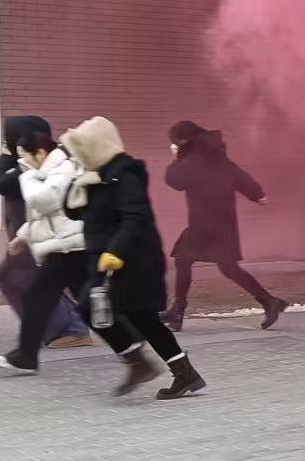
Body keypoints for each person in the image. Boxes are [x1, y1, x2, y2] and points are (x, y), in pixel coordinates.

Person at [62, 116, 206, 399]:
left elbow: (135, 218)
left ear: (99, 146)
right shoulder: (95, 176)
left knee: (99, 309)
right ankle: (178, 372)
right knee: (140, 318)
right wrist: (77, 180)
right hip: (108, 259)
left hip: (132, 261)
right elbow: (73, 212)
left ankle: (141, 363)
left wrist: (115, 251)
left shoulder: (124, 175)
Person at [160, 122, 287, 333]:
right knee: (223, 267)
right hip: (222, 224)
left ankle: (178, 311)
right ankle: (269, 301)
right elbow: (237, 175)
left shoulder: (192, 160)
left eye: (174, 142)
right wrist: (257, 194)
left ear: (182, 141)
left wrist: (176, 159)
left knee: (185, 259)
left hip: (204, 224)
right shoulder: (215, 155)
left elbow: (175, 181)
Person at [0, 129, 92, 374]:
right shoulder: (46, 170)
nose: (22, 161)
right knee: (86, 301)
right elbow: (44, 215)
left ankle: (26, 356)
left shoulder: (62, 169)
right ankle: (131, 342)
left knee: (40, 298)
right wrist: (22, 237)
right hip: (62, 245)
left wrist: (27, 175)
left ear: (40, 152)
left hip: (69, 245)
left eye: (25, 155)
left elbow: (44, 201)